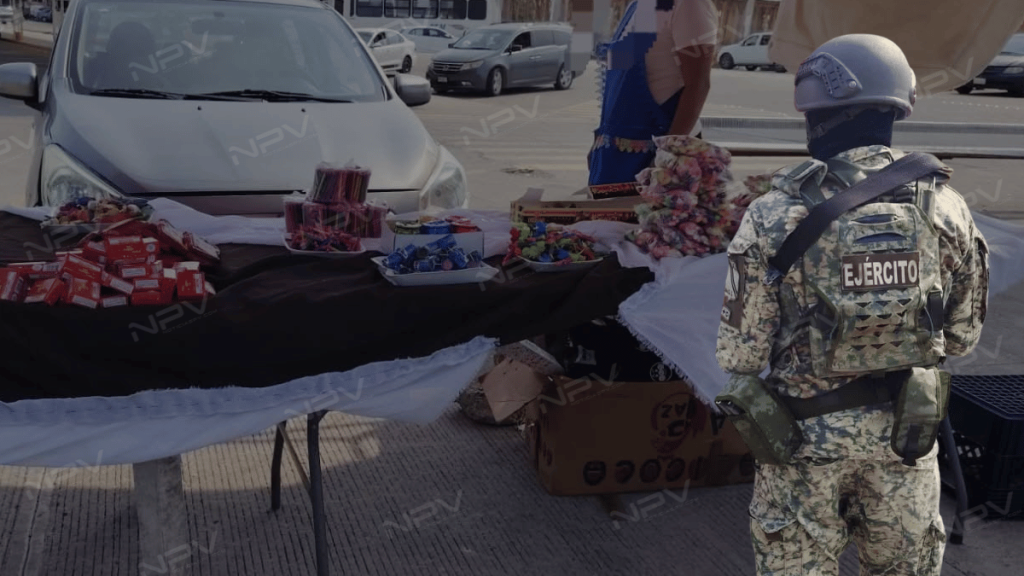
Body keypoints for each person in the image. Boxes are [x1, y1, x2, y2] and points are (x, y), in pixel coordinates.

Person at [715, 34, 989, 575]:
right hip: (905, 440)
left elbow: (741, 355)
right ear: (899, 107)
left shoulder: (772, 214)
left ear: (814, 114)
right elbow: (962, 338)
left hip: (801, 445)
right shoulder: (947, 207)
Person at [587, 0, 719, 187]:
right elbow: (617, 88)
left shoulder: (689, 4)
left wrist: (666, 156)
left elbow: (698, 85)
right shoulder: (636, 5)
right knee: (605, 206)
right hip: (614, 156)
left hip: (658, 161)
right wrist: (600, 140)